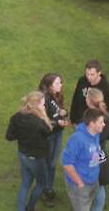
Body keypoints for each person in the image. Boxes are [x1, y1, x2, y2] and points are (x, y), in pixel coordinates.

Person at [6, 90, 53, 211]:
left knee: (25, 184)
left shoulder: (16, 117)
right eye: (43, 105)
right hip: (36, 158)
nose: (44, 107)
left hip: (23, 154)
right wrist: (44, 114)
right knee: (42, 183)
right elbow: (48, 131)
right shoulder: (39, 122)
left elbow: (9, 136)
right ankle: (30, 207)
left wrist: (22, 135)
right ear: (36, 105)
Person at [61, 107, 107, 211]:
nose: (104, 124)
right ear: (91, 123)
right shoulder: (76, 139)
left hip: (93, 180)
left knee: (91, 202)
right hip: (80, 185)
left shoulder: (95, 134)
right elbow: (67, 163)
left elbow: (94, 151)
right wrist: (79, 183)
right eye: (101, 122)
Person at [40, 73, 70, 204]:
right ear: (49, 86)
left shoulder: (56, 95)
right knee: (48, 164)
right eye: (57, 83)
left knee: (52, 163)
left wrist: (64, 113)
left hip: (58, 133)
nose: (61, 85)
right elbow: (42, 121)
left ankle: (49, 188)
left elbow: (59, 110)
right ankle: (45, 190)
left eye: (60, 82)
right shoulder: (43, 100)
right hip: (49, 135)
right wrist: (57, 122)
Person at [68, 60, 109, 124]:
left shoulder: (107, 89)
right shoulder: (82, 81)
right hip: (80, 120)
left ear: (99, 73)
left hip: (94, 124)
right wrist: (73, 119)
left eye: (92, 74)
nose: (89, 77)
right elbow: (76, 99)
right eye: (87, 74)